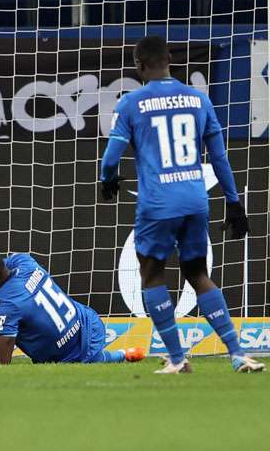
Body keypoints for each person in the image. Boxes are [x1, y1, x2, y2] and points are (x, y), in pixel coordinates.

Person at [99, 35, 261, 374]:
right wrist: (234, 202)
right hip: (194, 199)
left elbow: (111, 157)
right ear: (169, 59)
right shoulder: (198, 99)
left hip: (158, 204)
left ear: (139, 65)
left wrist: (108, 179)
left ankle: (177, 358)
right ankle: (237, 354)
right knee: (198, 274)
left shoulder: (132, 103)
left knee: (152, 272)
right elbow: (219, 156)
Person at [0, 250, 147, 365]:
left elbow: (1, 361)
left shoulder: (3, 304)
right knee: (97, 358)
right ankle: (127, 354)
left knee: (94, 362)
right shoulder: (24, 262)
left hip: (70, 355)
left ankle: (121, 355)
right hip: (88, 322)